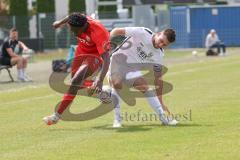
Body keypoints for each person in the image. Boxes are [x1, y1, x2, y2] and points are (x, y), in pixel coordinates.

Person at [43, 12, 110, 125]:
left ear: (83, 26)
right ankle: (102, 91)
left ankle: (56, 116)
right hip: (81, 52)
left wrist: (100, 79)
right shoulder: (79, 20)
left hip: (95, 56)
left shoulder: (98, 32)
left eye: (74, 30)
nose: (73, 33)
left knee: (75, 81)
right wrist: (59, 23)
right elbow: (71, 16)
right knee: (75, 85)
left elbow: (107, 58)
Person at [109, 27, 178, 127]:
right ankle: (117, 120)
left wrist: (161, 102)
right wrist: (107, 45)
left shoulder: (159, 54)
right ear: (158, 34)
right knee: (117, 83)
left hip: (132, 70)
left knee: (146, 88)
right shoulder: (142, 32)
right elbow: (116, 31)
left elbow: (158, 79)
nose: (161, 45)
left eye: (164, 45)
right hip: (117, 61)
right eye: (161, 41)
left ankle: (164, 119)